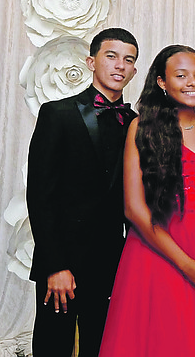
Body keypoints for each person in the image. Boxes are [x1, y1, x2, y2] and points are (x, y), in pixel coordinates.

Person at [98, 45, 195, 356]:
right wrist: (186, 264)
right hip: (159, 248)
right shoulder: (141, 127)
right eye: (181, 76)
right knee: (167, 339)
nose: (192, 82)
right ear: (162, 82)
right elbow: (133, 208)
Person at [26, 28, 139, 356]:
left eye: (128, 59)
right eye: (111, 56)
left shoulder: (135, 123)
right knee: (54, 344)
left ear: (134, 70)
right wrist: (55, 265)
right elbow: (41, 196)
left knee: (103, 345)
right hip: (63, 260)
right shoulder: (57, 114)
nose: (120, 65)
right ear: (91, 61)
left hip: (113, 261)